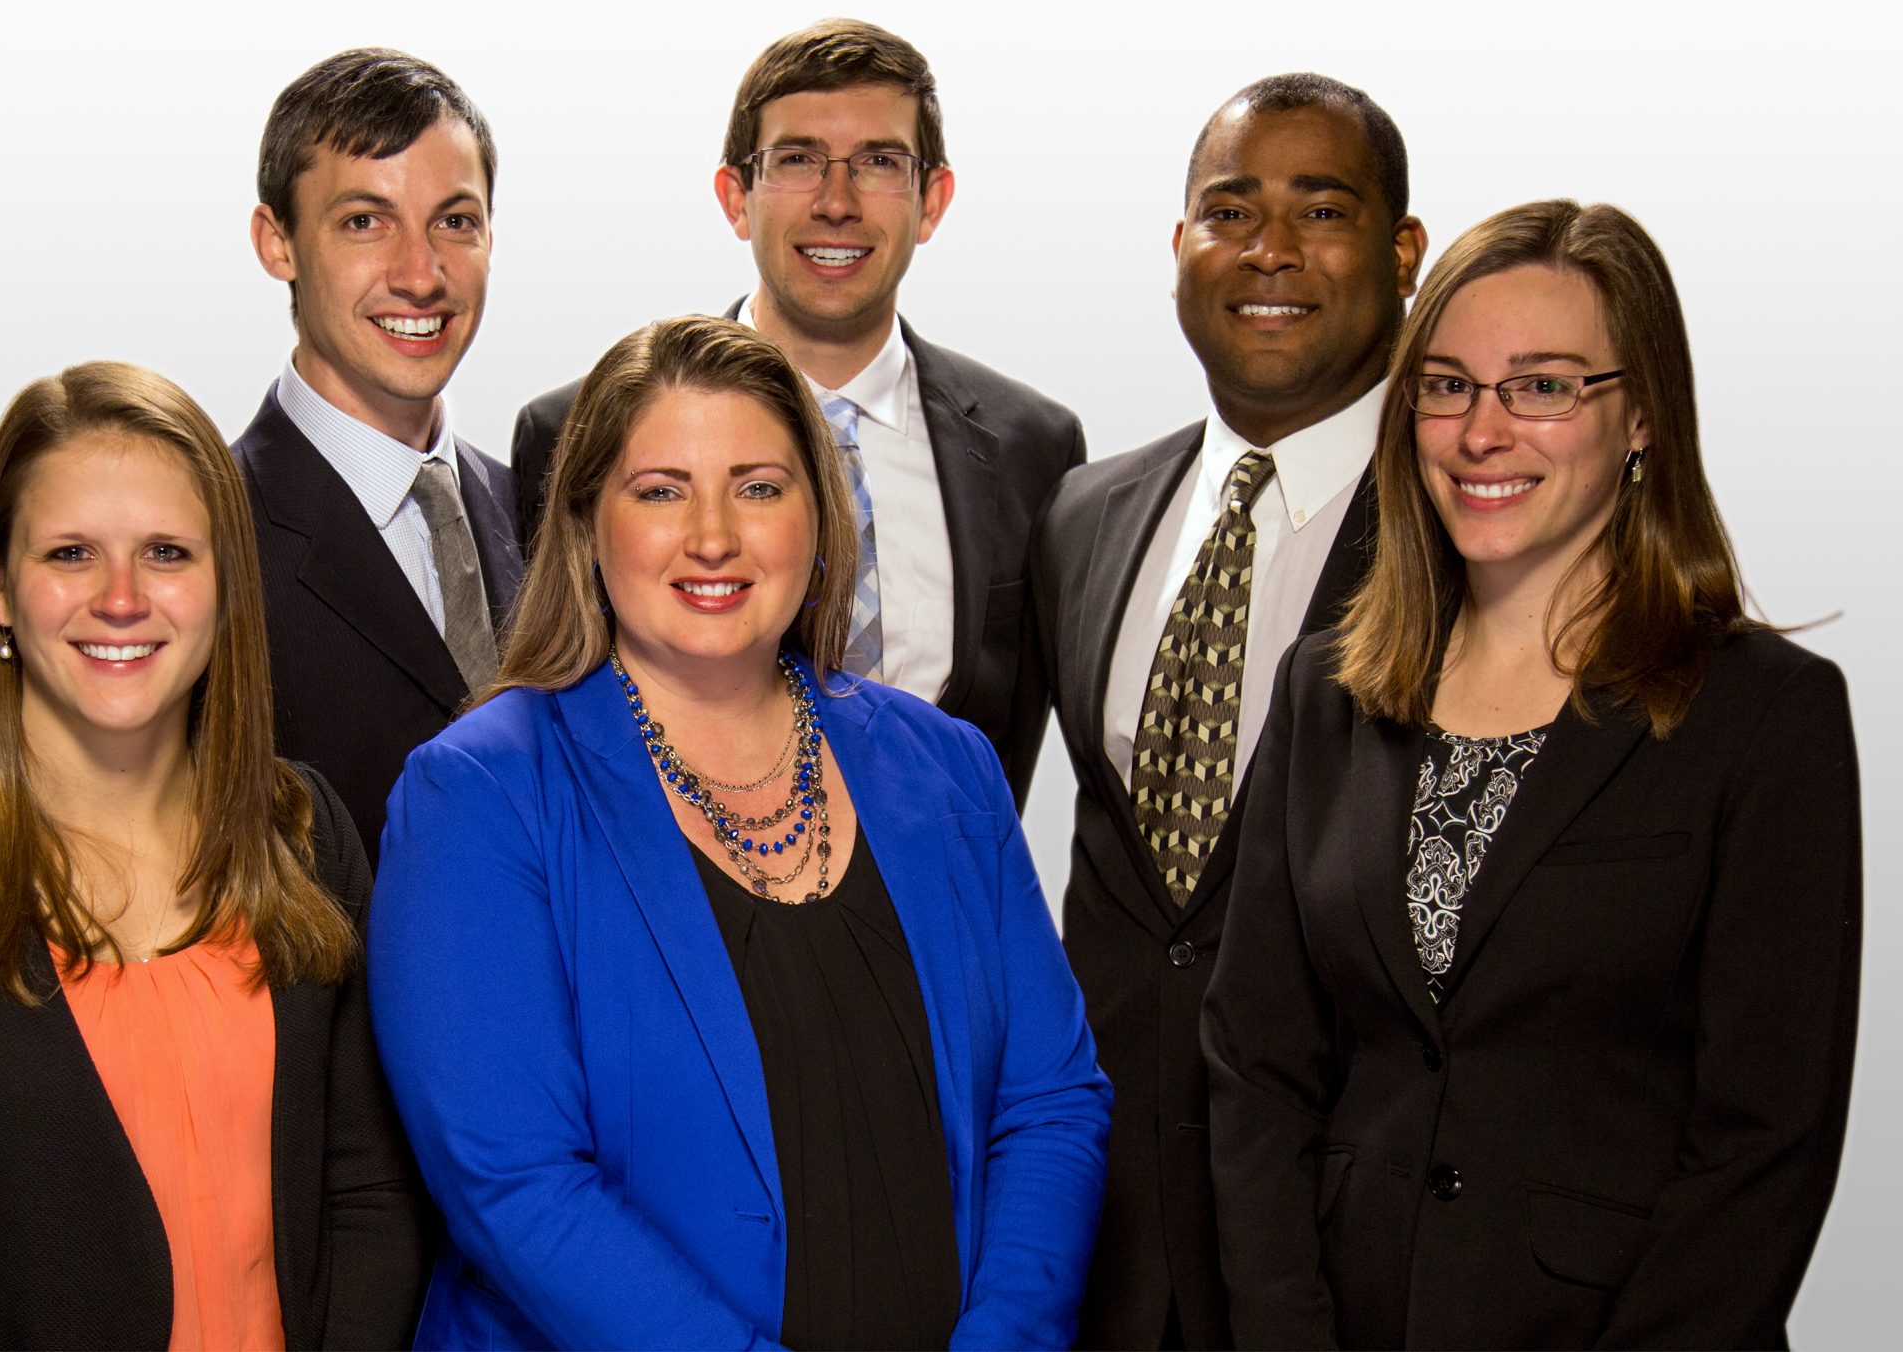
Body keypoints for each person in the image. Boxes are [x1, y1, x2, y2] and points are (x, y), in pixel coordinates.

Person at [373, 315, 1110, 1350]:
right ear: (586, 525)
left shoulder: (946, 768)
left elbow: (1050, 1103)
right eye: (660, 491)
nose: (712, 536)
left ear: (820, 517)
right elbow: (517, 1183)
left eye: (758, 488)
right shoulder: (480, 794)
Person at [1202, 200, 1860, 1348]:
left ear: (1641, 413)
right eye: (1446, 386)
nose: (1481, 431)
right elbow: (1255, 1064)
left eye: (1542, 386)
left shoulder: (1764, 716)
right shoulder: (1326, 692)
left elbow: (1764, 1141)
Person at [0, 362, 427, 1350]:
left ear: (226, 589)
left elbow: (369, 1191)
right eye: (71, 553)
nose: (121, 598)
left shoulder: (303, 833)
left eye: (166, 553)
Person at [1029, 73, 1426, 1349]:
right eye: (1231, 210)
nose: (1270, 249)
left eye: (1322, 210)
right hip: (1100, 1234)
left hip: (1352, 1243)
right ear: (1179, 246)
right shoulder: (1085, 513)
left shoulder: (1463, 527)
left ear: (1403, 252)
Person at [510, 18, 1082, 801]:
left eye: (879, 162)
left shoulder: (1034, 451)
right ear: (735, 197)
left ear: (932, 200)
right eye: (798, 161)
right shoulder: (572, 433)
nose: (836, 202)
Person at [236, 47, 522, 866]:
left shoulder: (541, 507)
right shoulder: (207, 533)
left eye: (454, 221)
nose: (420, 275)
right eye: (366, 221)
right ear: (278, 243)